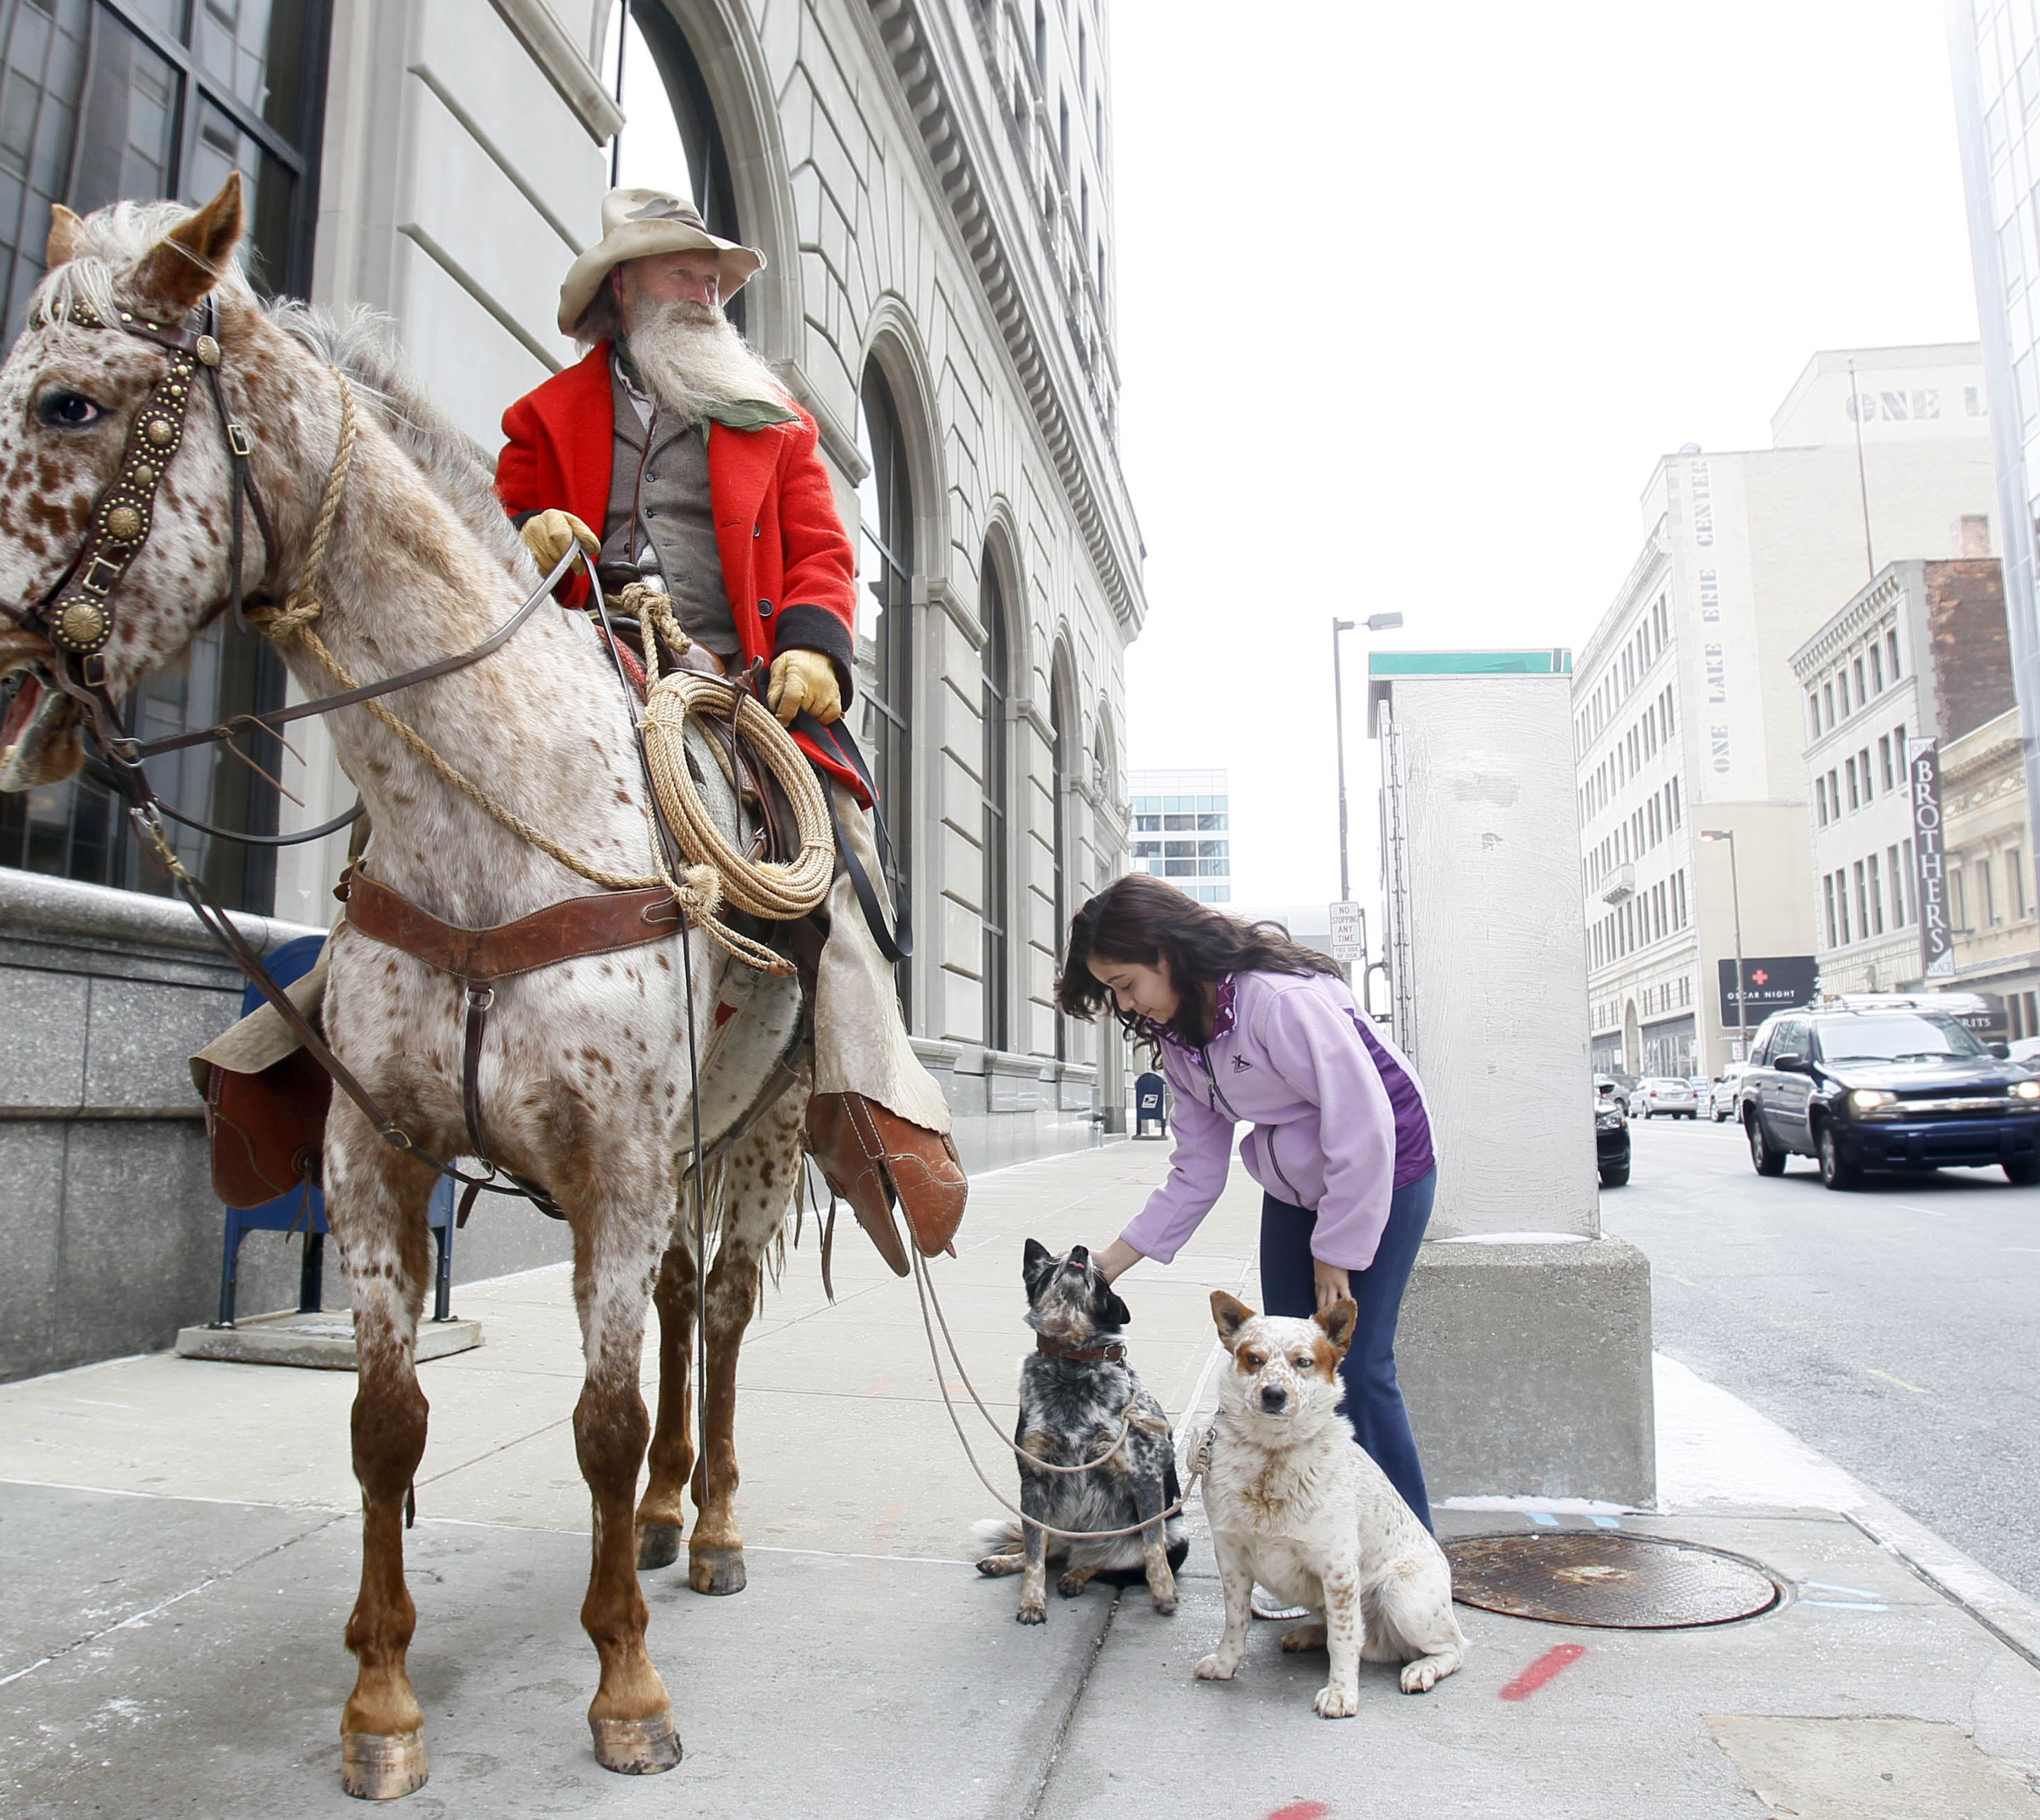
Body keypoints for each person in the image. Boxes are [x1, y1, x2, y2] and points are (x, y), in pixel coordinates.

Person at [490, 187, 962, 1269]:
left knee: (832, 853)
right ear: (625, 286)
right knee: (423, 787)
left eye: (712, 275)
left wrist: (812, 643)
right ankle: (321, 1035)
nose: (706, 288)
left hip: (733, 680)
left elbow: (822, 555)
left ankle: (866, 1100)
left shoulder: (772, 418)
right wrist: (527, 531)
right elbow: (495, 525)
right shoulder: (539, 416)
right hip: (575, 659)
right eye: (680, 269)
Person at [1058, 875, 1439, 1536]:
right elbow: (1196, 1171)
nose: (1126, 1002)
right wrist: (1104, 1267)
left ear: (1165, 952)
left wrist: (1337, 1248)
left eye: (1125, 982)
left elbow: (1364, 1124)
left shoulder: (1278, 1003)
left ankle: (1411, 1557)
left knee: (1358, 1369)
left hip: (1387, 1171)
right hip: (1295, 1190)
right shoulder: (1181, 1038)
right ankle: (1304, 1551)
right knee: (1274, 1370)